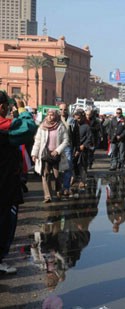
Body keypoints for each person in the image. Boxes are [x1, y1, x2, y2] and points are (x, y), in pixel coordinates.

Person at [0, 92, 36, 274]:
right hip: (4, 186)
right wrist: (22, 109)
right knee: (6, 224)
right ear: (2, 107)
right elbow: (28, 128)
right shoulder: (5, 126)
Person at [31, 109, 69, 203]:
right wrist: (34, 154)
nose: (49, 116)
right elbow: (37, 141)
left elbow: (65, 140)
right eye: (48, 115)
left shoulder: (60, 126)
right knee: (45, 175)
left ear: (56, 116)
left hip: (56, 155)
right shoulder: (42, 127)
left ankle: (58, 191)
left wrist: (58, 150)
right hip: (45, 154)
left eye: (52, 115)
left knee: (57, 175)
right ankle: (47, 196)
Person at [59, 103, 79, 197]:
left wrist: (77, 148)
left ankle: (66, 187)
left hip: (68, 146)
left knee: (68, 167)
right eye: (61, 109)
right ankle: (59, 188)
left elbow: (76, 135)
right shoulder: (56, 119)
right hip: (57, 147)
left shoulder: (72, 121)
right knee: (57, 169)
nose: (63, 111)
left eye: (65, 109)